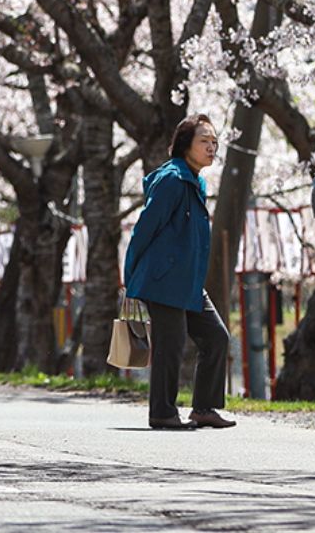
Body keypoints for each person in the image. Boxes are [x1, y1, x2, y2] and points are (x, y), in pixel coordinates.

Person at [122, 114, 235, 431]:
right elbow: (145, 228)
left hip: (188, 283)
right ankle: (162, 412)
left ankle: (203, 408)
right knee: (170, 347)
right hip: (164, 280)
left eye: (214, 141)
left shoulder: (195, 181)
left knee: (216, 337)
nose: (211, 147)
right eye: (204, 140)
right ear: (185, 144)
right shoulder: (172, 180)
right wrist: (130, 276)